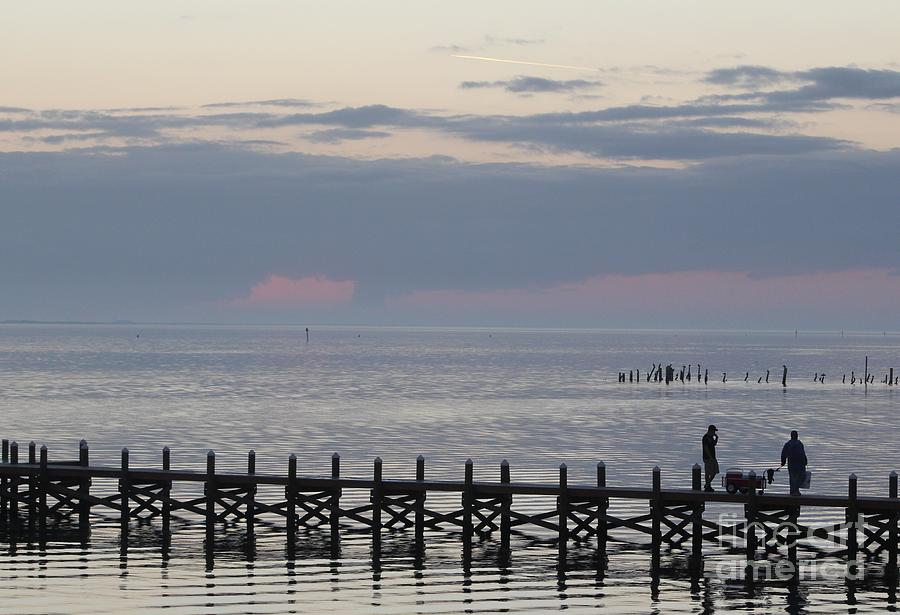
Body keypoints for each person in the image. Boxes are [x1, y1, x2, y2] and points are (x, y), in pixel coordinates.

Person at [781, 430, 808, 495]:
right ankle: (794, 491)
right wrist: (805, 460)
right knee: (797, 477)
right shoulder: (797, 443)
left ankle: (794, 490)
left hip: (796, 464)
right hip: (797, 464)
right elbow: (803, 454)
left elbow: (783, 454)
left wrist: (783, 461)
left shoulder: (791, 444)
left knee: (794, 478)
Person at [702, 425, 719, 492]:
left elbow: (714, 444)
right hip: (707, 458)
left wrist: (716, 438)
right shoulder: (705, 437)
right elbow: (706, 448)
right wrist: (710, 457)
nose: (714, 432)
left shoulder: (711, 437)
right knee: (708, 472)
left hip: (713, 457)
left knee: (714, 472)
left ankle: (707, 484)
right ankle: (707, 486)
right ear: (710, 430)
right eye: (714, 431)